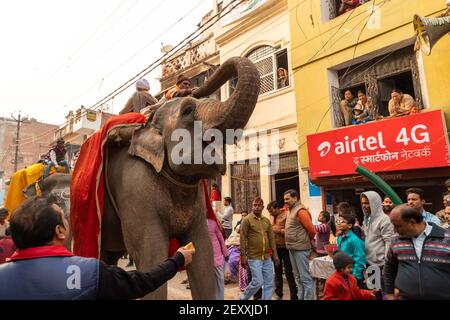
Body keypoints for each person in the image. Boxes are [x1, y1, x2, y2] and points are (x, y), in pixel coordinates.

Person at [0, 195, 195, 300]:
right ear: (60, 231)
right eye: (63, 217)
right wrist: (177, 260)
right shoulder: (89, 272)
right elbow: (142, 283)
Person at [384, 205, 450, 300]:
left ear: (412, 222)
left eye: (398, 226)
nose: (395, 230)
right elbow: (390, 266)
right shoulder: (396, 240)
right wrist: (389, 294)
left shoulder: (446, 238)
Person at [240, 197, 279, 300]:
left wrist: (275, 255)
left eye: (259, 205)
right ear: (252, 206)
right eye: (254, 205)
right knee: (258, 282)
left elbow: (271, 238)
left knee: (269, 283)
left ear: (262, 207)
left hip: (266, 256)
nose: (256, 207)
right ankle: (243, 298)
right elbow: (243, 238)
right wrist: (242, 256)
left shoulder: (266, 221)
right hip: (254, 256)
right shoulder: (247, 220)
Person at [283, 189, 316, 300]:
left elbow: (312, 230)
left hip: (301, 248)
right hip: (292, 248)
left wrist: (305, 240)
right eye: (284, 199)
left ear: (295, 198)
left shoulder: (301, 211)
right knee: (298, 277)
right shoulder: (290, 210)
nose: (285, 201)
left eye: (287, 199)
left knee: (305, 278)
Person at [267, 201, 298, 300]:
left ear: (276, 208)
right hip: (275, 248)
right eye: (269, 212)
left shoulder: (286, 215)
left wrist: (279, 231)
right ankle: (279, 293)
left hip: (286, 248)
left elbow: (291, 231)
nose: (270, 214)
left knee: (289, 272)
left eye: (271, 211)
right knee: (277, 271)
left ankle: (294, 295)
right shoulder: (271, 217)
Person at [360, 191, 394, 277]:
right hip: (368, 262)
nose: (364, 206)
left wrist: (387, 264)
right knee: (372, 289)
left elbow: (389, 242)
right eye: (362, 203)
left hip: (380, 264)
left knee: (381, 289)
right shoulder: (366, 218)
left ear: (375, 203)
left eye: (367, 203)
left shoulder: (384, 219)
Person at [336, 213, 366, 286]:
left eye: (343, 222)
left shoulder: (354, 240)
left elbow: (360, 259)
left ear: (349, 226)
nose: (339, 223)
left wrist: (355, 277)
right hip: (343, 274)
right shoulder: (340, 238)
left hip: (353, 276)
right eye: (338, 221)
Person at [207, 217, 229, 300]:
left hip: (215, 257)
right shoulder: (201, 223)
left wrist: (225, 253)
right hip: (208, 258)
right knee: (215, 282)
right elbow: (221, 238)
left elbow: (220, 238)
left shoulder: (213, 223)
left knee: (218, 281)